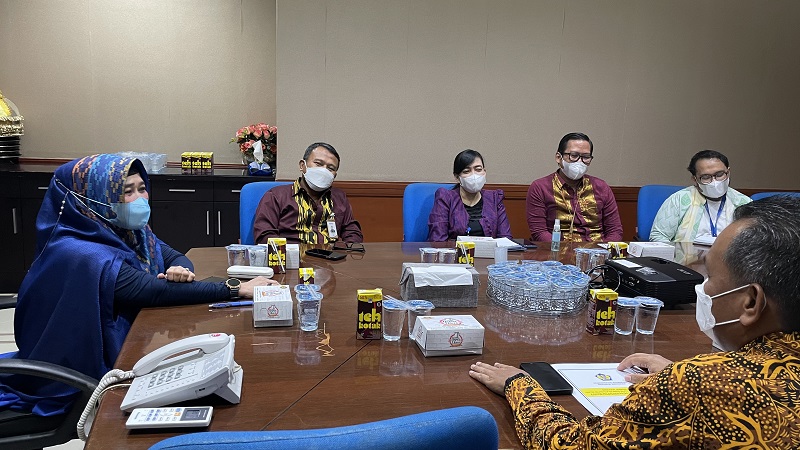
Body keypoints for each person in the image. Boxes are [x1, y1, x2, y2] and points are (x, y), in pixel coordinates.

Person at [470, 195, 800, 448]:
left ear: (750, 302)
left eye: (710, 276)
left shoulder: (699, 384)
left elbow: (571, 444)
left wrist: (520, 385)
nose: (702, 288)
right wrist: (678, 377)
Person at [0, 154, 276, 416]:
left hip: (124, 341)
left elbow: (175, 257)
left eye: (142, 188)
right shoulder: (81, 252)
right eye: (126, 192)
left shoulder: (126, 231)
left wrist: (178, 271)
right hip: (75, 370)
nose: (139, 199)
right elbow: (149, 291)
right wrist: (236, 288)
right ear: (92, 198)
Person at [253, 142, 363, 244]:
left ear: (334, 175)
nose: (324, 171)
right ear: (302, 165)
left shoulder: (339, 198)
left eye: (330, 168)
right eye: (318, 164)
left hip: (331, 257)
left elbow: (352, 232)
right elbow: (265, 235)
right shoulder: (276, 196)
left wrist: (346, 252)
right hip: (291, 256)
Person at [526, 132, 623, 243]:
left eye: (586, 157)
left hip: (598, 249)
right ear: (558, 157)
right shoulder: (540, 187)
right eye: (574, 155)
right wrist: (562, 250)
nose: (580, 162)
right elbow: (539, 232)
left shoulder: (601, 187)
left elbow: (615, 231)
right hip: (557, 249)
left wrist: (602, 250)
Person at [650, 150, 751, 243]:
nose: (714, 182)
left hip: (730, 256)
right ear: (695, 180)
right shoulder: (679, 200)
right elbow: (658, 237)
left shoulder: (744, 203)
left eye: (720, 174)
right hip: (686, 256)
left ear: (728, 172)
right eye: (706, 177)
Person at [427, 149, 512, 241]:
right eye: (467, 171)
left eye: (478, 170)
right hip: (455, 250)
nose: (474, 176)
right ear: (457, 177)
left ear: (484, 172)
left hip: (489, 250)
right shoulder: (445, 198)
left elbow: (505, 238)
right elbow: (438, 240)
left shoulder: (494, 198)